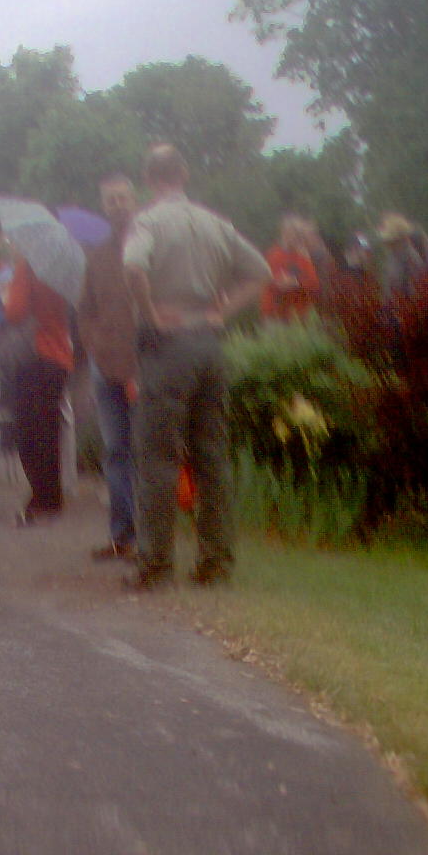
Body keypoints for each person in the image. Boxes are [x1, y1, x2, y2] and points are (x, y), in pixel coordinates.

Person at [122, 143, 270, 590]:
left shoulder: (146, 222)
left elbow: (132, 265)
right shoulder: (215, 223)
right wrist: (225, 310)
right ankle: (216, 562)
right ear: (184, 174)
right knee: (212, 454)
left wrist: (149, 311)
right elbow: (261, 271)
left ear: (149, 179)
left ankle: (156, 565)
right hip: (208, 341)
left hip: (169, 345)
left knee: (159, 456)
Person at [78, 174, 139, 561]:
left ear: (134, 201)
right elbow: (84, 309)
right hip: (105, 364)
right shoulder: (96, 256)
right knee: (115, 451)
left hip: (145, 364)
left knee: (148, 450)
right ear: (103, 206)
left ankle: (152, 537)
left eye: (122, 198)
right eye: (110, 200)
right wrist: (93, 345)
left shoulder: (149, 246)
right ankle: (121, 535)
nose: (117, 205)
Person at [4, 250, 75, 527]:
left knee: (30, 430)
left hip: (35, 354)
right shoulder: (65, 270)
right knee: (50, 428)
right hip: (60, 353)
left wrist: (6, 294)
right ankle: (52, 495)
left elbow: (15, 312)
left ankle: (42, 497)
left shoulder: (27, 265)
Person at [262, 215, 320, 322]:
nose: (296, 237)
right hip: (275, 315)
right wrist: (287, 282)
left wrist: (297, 282)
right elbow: (271, 281)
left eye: (298, 234)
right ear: (284, 233)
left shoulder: (304, 257)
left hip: (298, 316)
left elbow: (314, 284)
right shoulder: (273, 255)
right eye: (293, 233)